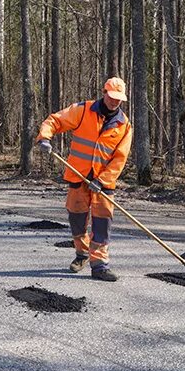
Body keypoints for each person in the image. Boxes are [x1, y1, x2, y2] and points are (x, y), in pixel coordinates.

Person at [36, 77, 133, 281]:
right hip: (78, 176)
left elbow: (119, 158)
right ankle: (82, 254)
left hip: (103, 184)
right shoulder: (83, 110)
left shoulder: (124, 125)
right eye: (112, 97)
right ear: (104, 92)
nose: (115, 102)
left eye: (119, 99)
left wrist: (103, 180)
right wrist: (45, 137)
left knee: (101, 223)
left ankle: (100, 265)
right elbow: (55, 120)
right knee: (77, 220)